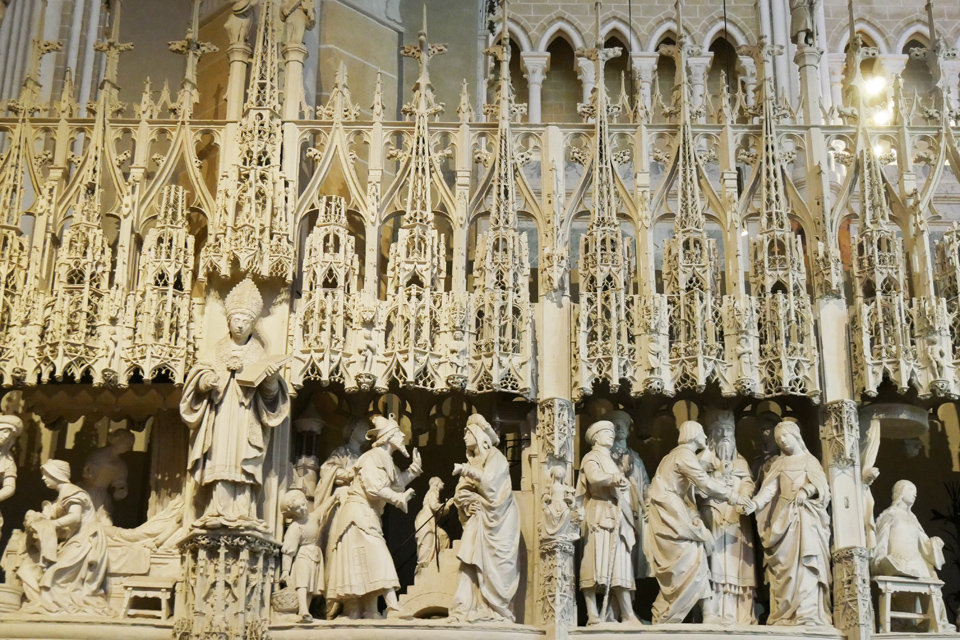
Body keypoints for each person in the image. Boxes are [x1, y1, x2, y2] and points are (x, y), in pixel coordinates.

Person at [180, 277, 290, 530]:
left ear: (253, 324)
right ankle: (216, 508)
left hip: (246, 416)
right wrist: (207, 381)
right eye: (235, 320)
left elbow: (272, 399)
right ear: (228, 322)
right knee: (219, 458)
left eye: (245, 321)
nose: (239, 325)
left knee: (244, 460)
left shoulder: (258, 354)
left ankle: (244, 510)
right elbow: (198, 376)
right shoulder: (216, 350)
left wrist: (271, 380)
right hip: (220, 414)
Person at [644, 420, 752, 624]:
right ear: (693, 435)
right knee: (687, 563)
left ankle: (709, 613)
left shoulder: (676, 456)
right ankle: (665, 613)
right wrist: (734, 496)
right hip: (670, 515)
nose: (705, 438)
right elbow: (704, 483)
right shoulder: (683, 455)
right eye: (702, 433)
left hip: (676, 511)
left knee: (697, 558)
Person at [326, 414, 421, 619]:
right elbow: (374, 488)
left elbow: (396, 483)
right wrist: (398, 499)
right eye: (398, 433)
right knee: (378, 557)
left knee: (364, 562)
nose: (403, 436)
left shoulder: (385, 459)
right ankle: (393, 608)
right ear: (388, 437)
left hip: (367, 515)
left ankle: (369, 610)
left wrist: (413, 471)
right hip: (357, 515)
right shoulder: (373, 456)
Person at [752, 421, 832, 626]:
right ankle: (784, 614)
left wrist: (807, 490)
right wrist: (754, 504)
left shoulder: (809, 461)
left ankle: (808, 613)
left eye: (785, 437)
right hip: (784, 517)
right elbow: (769, 490)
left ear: (795, 436)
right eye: (779, 440)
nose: (782, 442)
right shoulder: (779, 463)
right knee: (785, 566)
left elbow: (822, 486)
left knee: (807, 564)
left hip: (806, 517)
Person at [449, 415, 520, 623]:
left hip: (500, 520)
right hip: (478, 518)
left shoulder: (496, 457)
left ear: (479, 436)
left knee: (487, 564)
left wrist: (466, 470)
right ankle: (463, 608)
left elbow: (491, 486)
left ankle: (494, 609)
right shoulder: (475, 461)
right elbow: (460, 492)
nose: (464, 437)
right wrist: (466, 500)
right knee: (468, 558)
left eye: (467, 433)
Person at [18, 460, 110, 615]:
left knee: (56, 574)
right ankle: (49, 604)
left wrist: (51, 524)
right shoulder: (61, 496)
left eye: (46, 474)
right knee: (40, 570)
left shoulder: (73, 492)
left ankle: (59, 606)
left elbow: (75, 518)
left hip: (86, 538)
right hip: (75, 538)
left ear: (57, 475)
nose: (43, 478)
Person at [698, 410, 757, 625]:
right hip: (712, 517)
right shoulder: (702, 460)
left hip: (736, 520)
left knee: (737, 566)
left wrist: (745, 496)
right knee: (715, 565)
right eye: (719, 431)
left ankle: (740, 615)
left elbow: (748, 483)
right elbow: (697, 485)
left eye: (729, 431)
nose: (724, 435)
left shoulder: (740, 462)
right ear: (710, 435)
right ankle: (713, 612)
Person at [577, 420, 639, 625]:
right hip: (599, 513)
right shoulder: (591, 457)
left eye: (612, 432)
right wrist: (614, 478)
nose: (611, 435)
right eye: (606, 432)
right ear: (596, 438)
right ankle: (593, 614)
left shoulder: (610, 459)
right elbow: (594, 478)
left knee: (619, 565)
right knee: (594, 564)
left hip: (616, 513)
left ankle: (625, 614)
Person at [872, 480, 955, 632]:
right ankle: (903, 625)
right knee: (902, 596)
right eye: (911, 489)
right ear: (901, 492)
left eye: (915, 490)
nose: (915, 493)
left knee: (933, 579)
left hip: (917, 562)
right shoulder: (889, 515)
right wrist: (881, 560)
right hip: (898, 561)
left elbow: (923, 543)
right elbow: (880, 542)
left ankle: (938, 623)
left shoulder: (913, 518)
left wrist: (933, 543)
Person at [608, 410, 650, 579]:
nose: (620, 428)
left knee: (635, 553)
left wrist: (648, 500)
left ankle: (632, 596)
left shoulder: (636, 458)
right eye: (616, 425)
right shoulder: (605, 456)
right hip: (615, 511)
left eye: (623, 424)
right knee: (619, 556)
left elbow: (645, 483)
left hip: (636, 511)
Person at [280, 489, 324, 623]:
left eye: (303, 505)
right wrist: (285, 571)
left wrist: (334, 498)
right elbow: (288, 550)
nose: (302, 509)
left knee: (311, 586)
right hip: (303, 556)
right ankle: (303, 610)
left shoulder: (313, 517)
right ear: (292, 513)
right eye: (297, 509)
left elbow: (324, 508)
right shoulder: (295, 527)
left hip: (315, 555)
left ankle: (306, 611)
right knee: (303, 584)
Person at [81, 428, 135, 523]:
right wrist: (90, 475)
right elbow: (87, 473)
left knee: (105, 522)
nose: (125, 445)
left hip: (103, 496)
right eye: (123, 441)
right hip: (89, 492)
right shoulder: (97, 455)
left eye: (128, 444)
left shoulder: (121, 465)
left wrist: (120, 491)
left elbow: (119, 483)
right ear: (115, 439)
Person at [415, 477, 450, 576]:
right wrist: (446, 504)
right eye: (441, 482)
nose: (443, 483)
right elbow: (434, 506)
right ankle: (423, 566)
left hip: (426, 520)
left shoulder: (432, 493)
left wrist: (445, 507)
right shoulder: (433, 492)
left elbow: (436, 512)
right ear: (437, 483)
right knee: (427, 542)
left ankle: (425, 565)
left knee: (431, 541)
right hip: (425, 520)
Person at [0, 415, 23, 533]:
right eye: (4, 432)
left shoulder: (7, 459)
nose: (5, 437)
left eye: (9, 436)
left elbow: (9, 487)